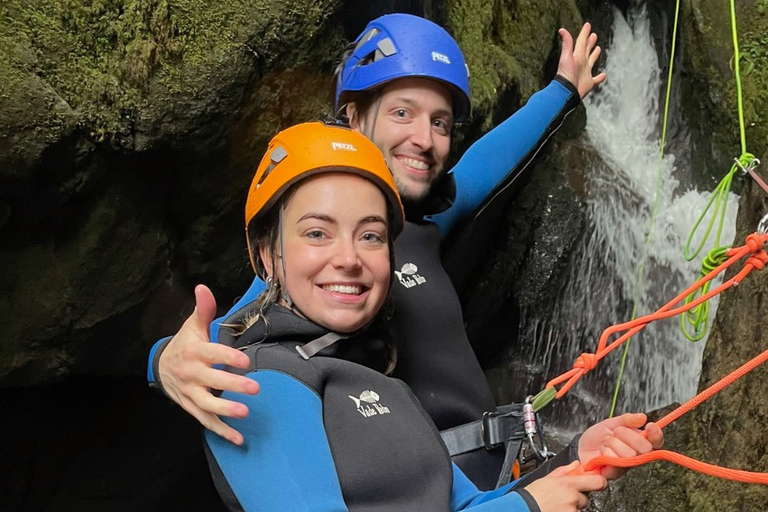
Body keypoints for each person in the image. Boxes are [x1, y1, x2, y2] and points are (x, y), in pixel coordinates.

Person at [148, 13, 607, 489]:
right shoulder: (318, 265)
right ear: (352, 116)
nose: (424, 140)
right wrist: (163, 360)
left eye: (440, 122)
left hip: (494, 486)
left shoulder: (422, 224)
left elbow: (484, 164)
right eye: (402, 113)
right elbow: (226, 338)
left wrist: (561, 90)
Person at [202, 121, 663, 512]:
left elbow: (467, 506)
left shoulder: (384, 384)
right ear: (267, 254)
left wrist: (573, 461)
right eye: (318, 233)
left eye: (371, 236)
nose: (348, 258)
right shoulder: (261, 383)